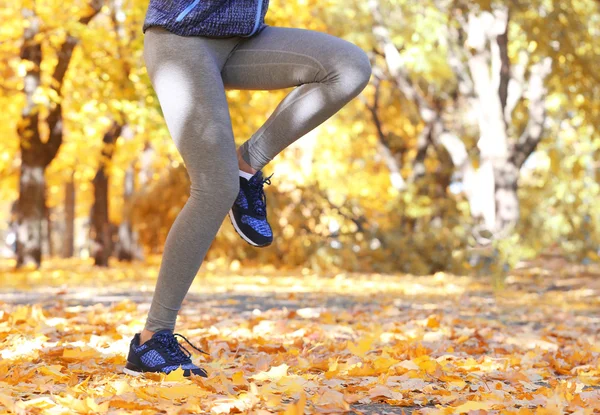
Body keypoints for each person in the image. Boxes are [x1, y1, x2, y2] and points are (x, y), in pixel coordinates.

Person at [124, 0, 372, 377]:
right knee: (215, 187)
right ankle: (151, 339)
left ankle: (248, 164)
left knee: (348, 67)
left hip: (244, 39)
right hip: (181, 38)